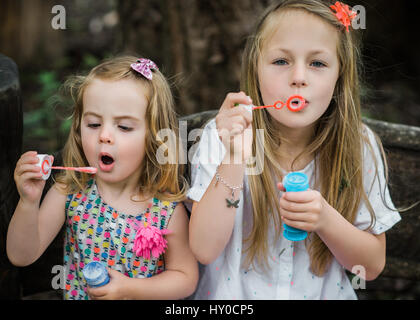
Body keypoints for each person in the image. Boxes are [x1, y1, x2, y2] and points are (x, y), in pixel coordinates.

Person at [187, 0, 401, 299]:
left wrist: (325, 220)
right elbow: (204, 249)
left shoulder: (358, 145)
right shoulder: (223, 137)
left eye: (317, 63)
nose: (298, 77)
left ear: (339, 77)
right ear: (255, 71)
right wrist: (234, 158)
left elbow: (371, 266)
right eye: (281, 61)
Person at [7, 56, 198, 300]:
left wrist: (128, 288)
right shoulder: (70, 190)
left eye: (124, 127)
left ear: (154, 138)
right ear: (78, 128)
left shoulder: (166, 209)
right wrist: (28, 202)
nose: (104, 136)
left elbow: (185, 278)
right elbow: (22, 255)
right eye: (94, 124)